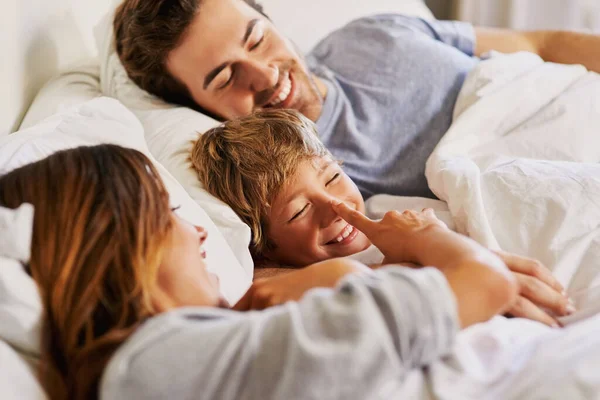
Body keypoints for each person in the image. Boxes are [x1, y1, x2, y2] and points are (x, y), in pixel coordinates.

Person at [0, 144, 521, 399]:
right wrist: (430, 241)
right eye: (169, 212)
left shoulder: (187, 353)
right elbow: (486, 285)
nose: (198, 232)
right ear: (113, 241)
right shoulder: (153, 364)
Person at [113, 0, 600, 199]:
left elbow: (540, 46)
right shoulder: (297, 179)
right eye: (224, 77)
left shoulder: (371, 34)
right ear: (200, 110)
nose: (263, 75)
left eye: (257, 39)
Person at [191, 108, 574, 327]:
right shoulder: (277, 282)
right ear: (263, 245)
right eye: (300, 211)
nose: (336, 208)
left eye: (333, 177)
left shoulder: (387, 210)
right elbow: (364, 296)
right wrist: (427, 246)